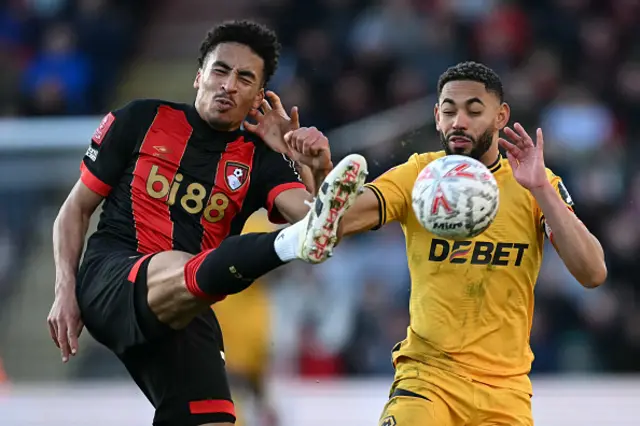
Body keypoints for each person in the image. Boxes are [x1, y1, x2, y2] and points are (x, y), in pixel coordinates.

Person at [46, 20, 368, 426]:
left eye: (245, 78)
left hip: (188, 304)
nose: (229, 84)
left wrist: (313, 168)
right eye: (221, 70)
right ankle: (284, 246)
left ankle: (285, 244)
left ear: (256, 98)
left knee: (210, 420)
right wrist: (64, 291)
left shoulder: (259, 160)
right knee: (186, 261)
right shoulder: (141, 119)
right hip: (113, 277)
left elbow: (320, 222)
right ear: (200, 76)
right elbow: (74, 209)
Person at [322, 61, 607, 426]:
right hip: (428, 379)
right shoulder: (418, 176)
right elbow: (338, 220)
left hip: (506, 391)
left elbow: (593, 272)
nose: (459, 121)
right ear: (436, 116)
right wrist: (319, 175)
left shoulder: (536, 185)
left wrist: (541, 190)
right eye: (449, 110)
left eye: (474, 110)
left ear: (500, 115)